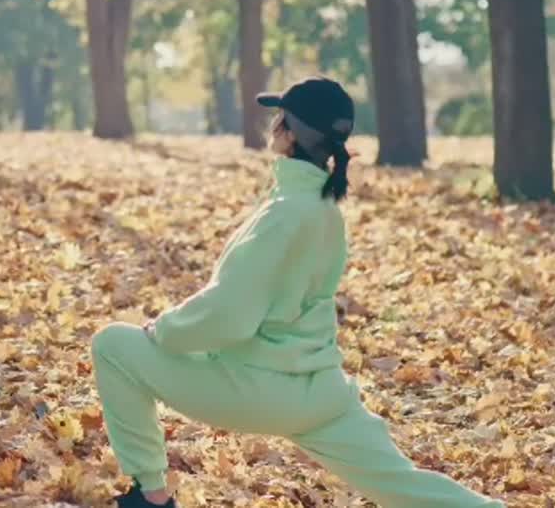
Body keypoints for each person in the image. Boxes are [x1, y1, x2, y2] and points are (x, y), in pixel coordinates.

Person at [91, 76, 504, 507]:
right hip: (321, 388)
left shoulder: (287, 212)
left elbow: (230, 315)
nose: (273, 124)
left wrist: (163, 331)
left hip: (260, 388)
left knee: (114, 345)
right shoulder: (322, 206)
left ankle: (152, 497)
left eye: (279, 117)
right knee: (402, 483)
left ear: (288, 133)